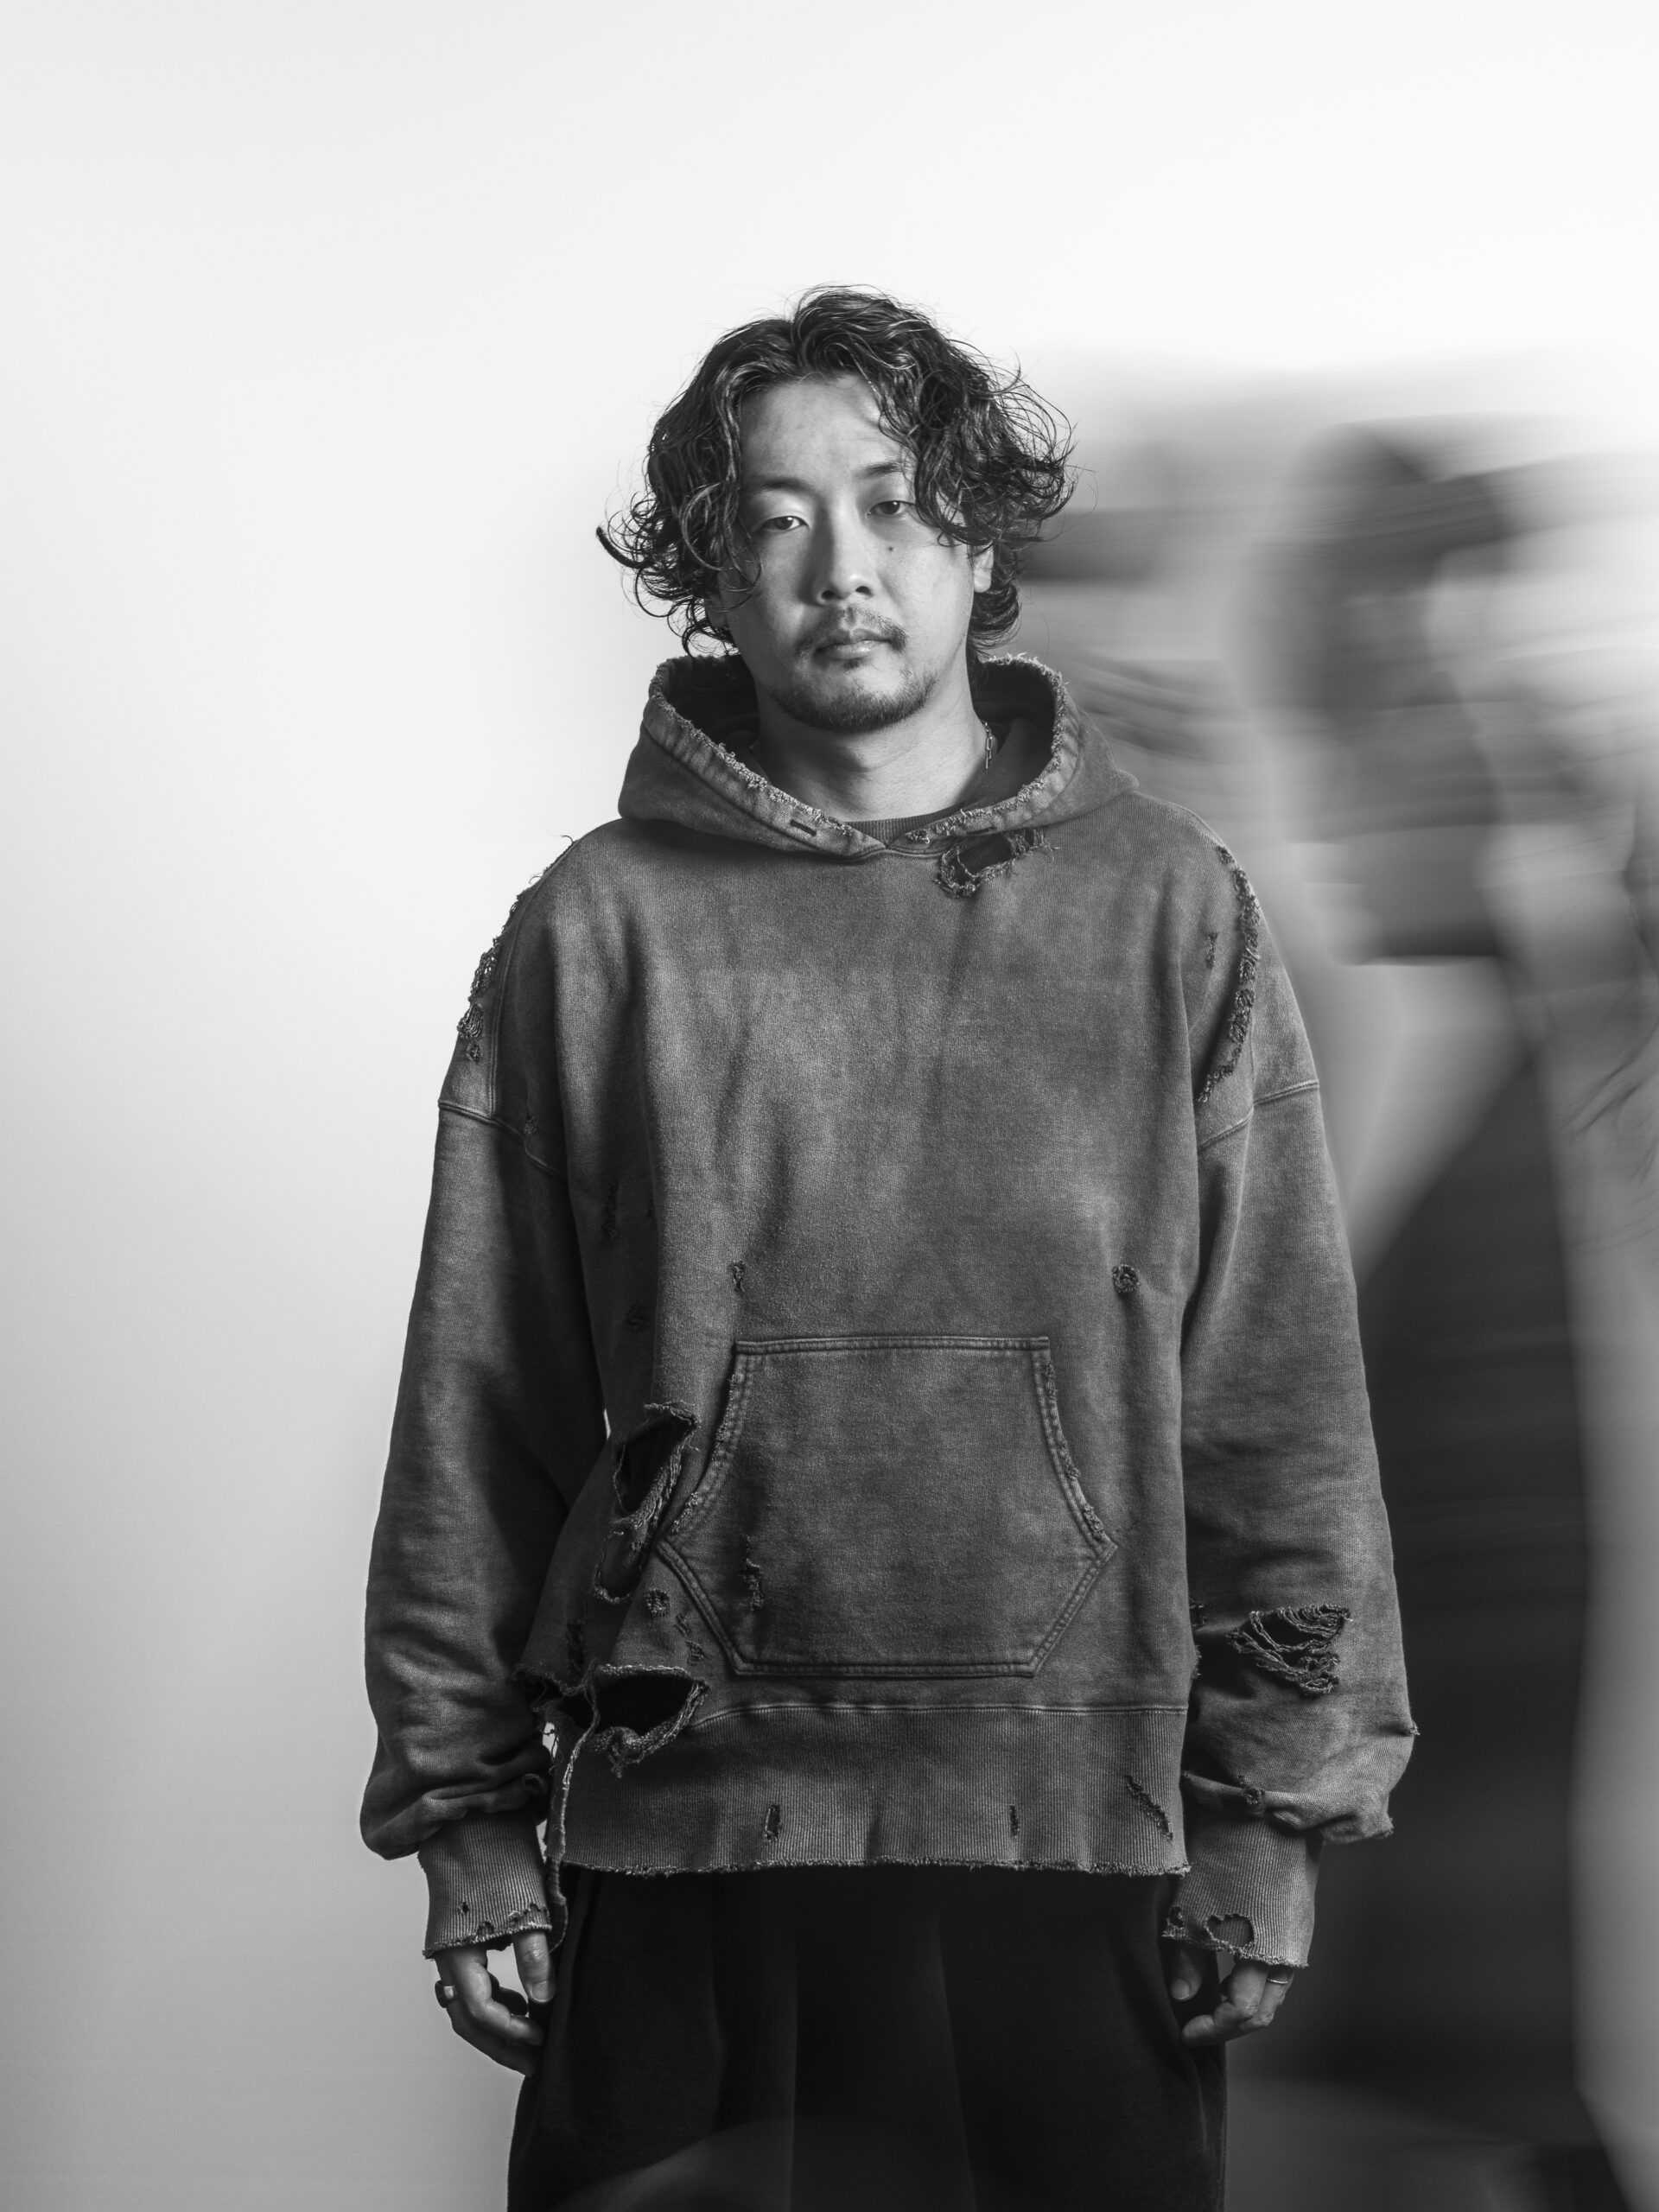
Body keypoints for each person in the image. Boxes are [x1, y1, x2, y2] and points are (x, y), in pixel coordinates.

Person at [361, 288, 1413, 2212]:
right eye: (775, 520)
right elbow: (478, 1401)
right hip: (690, 1835)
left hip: (1074, 1835)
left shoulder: (1172, 912)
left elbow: (1276, 1394)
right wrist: (465, 1817)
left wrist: (1276, 1804)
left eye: (895, 504)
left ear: (982, 545)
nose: (840, 567)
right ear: (712, 578)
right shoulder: (598, 933)